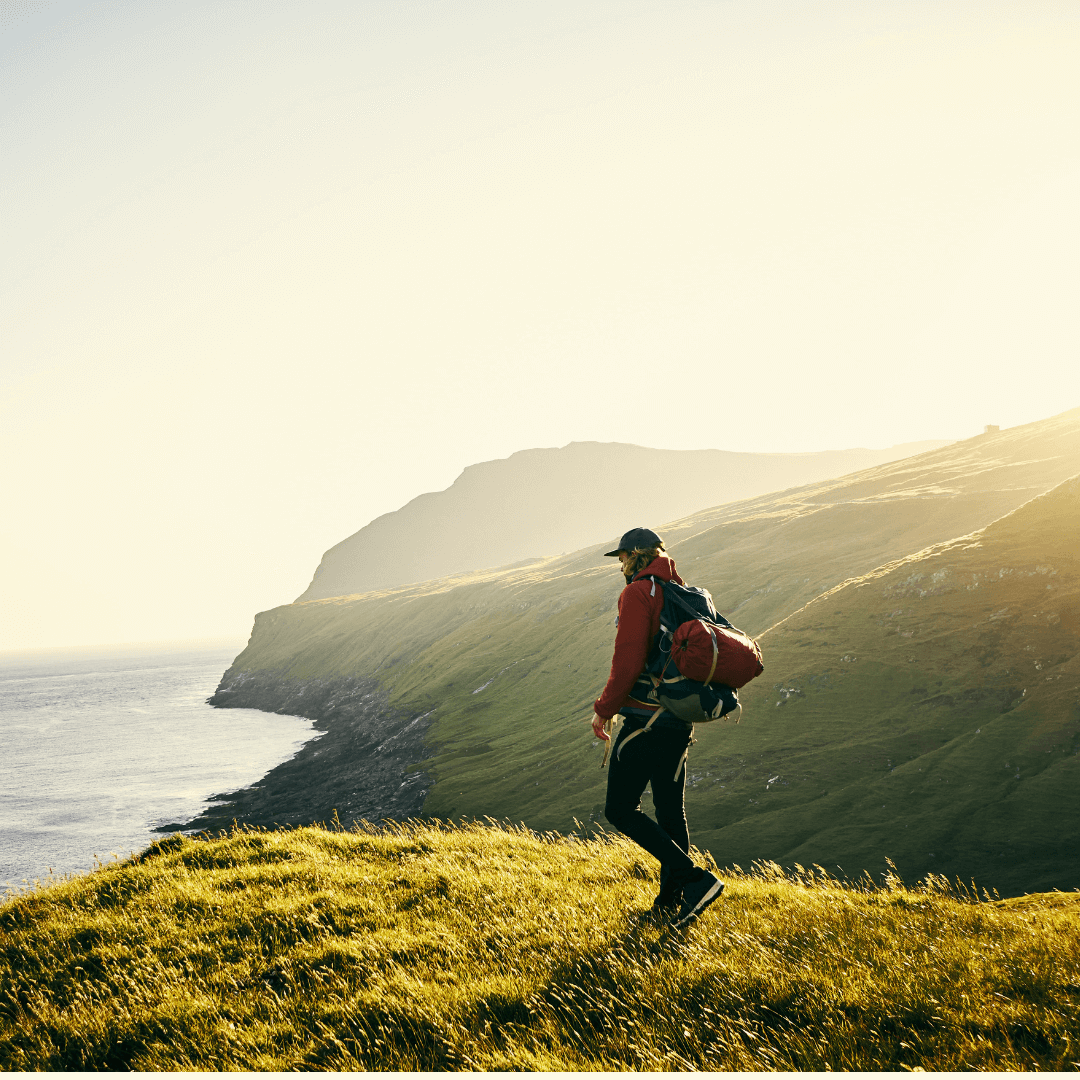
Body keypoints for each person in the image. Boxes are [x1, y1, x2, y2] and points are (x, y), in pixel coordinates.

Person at [591, 526, 724, 926]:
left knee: (620, 808)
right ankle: (669, 905)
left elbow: (628, 662)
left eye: (621, 557)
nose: (619, 565)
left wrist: (604, 709)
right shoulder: (689, 593)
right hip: (680, 718)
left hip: (643, 720)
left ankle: (695, 880)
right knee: (669, 811)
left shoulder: (639, 593)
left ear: (634, 555)